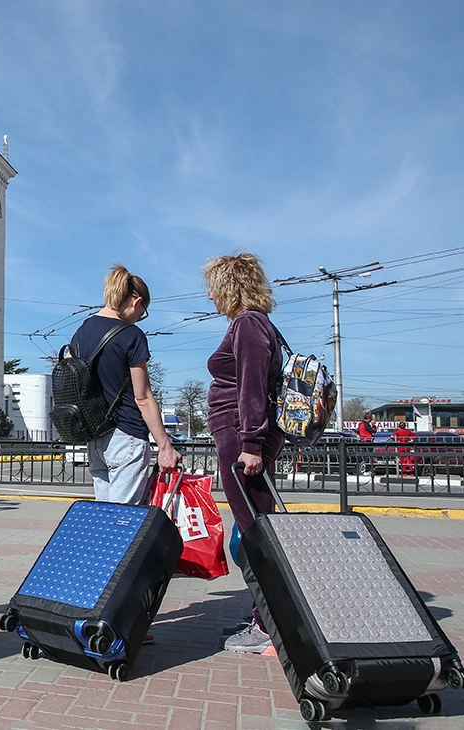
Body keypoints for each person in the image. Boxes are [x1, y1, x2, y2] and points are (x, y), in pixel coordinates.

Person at [202, 253, 286, 655]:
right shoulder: (256, 323)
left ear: (228, 287)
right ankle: (263, 616)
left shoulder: (248, 324)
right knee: (255, 529)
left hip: (241, 436)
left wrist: (251, 444)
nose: (210, 296)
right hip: (240, 434)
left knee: (256, 534)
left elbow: (251, 387)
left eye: (213, 288)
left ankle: (271, 626)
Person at [69, 264, 181, 504]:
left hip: (95, 436)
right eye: (141, 313)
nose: (138, 319)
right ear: (136, 301)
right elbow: (143, 397)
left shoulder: (81, 332)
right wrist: (165, 446)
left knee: (105, 515)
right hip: (126, 435)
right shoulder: (131, 335)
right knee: (124, 519)